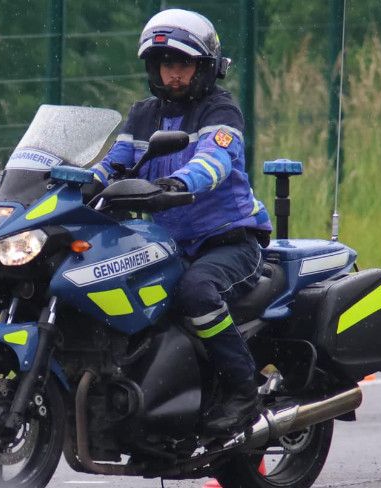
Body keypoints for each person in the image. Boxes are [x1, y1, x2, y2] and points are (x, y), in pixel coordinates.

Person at [91, 9, 273, 438]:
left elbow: (215, 160)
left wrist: (177, 182)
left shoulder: (219, 109)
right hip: (168, 244)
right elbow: (115, 165)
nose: (173, 74)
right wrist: (74, 185)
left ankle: (243, 389)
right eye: (165, 64)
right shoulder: (142, 116)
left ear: (204, 66)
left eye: (183, 63)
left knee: (195, 292)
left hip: (228, 240)